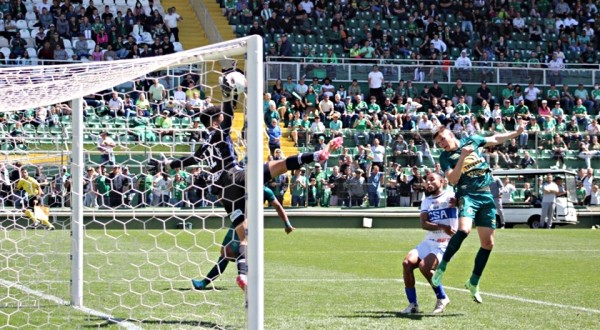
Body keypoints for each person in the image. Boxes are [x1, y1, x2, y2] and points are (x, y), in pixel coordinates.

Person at [147, 72, 342, 301]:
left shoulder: (202, 147)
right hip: (235, 175)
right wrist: (230, 94)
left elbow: (185, 162)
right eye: (220, 118)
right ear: (216, 121)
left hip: (223, 193)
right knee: (276, 166)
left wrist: (166, 164)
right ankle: (317, 154)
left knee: (244, 237)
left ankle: (243, 275)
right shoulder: (219, 132)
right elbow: (229, 114)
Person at [431, 122, 525, 303]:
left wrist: (516, 132)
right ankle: (442, 267)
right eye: (439, 142)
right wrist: (462, 158)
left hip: (486, 196)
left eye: (443, 139)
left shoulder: (472, 140)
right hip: (467, 195)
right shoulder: (445, 157)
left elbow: (495, 139)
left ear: (450, 134)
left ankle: (473, 281)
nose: (442, 143)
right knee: (464, 229)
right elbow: (452, 180)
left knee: (488, 243)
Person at [191, 186, 294, 290]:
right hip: (238, 220)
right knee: (226, 252)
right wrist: (219, 195)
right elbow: (225, 201)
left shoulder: (264, 190)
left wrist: (287, 224)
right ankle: (243, 278)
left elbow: (278, 206)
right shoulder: (240, 185)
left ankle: (239, 278)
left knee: (228, 252)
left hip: (248, 222)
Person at [401, 172, 457, 315]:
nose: (429, 183)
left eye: (432, 180)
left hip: (445, 243)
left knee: (424, 267)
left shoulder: (452, 195)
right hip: (429, 241)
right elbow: (424, 223)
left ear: (442, 181)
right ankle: (413, 305)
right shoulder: (427, 200)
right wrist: (442, 226)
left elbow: (468, 203)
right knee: (407, 263)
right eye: (427, 181)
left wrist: (460, 202)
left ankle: (442, 298)